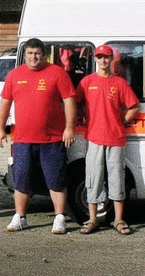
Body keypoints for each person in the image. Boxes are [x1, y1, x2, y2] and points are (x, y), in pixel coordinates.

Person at [0, 38, 77, 234]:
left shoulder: (57, 72)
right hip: (23, 140)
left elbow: (69, 101)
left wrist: (69, 128)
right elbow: (5, 103)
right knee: (21, 178)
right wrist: (0, 129)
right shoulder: (15, 75)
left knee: (56, 179)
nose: (34, 57)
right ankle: (20, 217)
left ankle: (59, 218)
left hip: (52, 139)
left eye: (37, 53)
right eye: (30, 53)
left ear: (44, 54)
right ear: (24, 55)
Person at [75, 45, 139, 235]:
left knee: (117, 178)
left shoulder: (119, 83)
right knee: (93, 178)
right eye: (100, 57)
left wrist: (122, 120)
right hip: (94, 138)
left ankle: (119, 220)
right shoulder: (87, 82)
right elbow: (75, 102)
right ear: (95, 59)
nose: (103, 60)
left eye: (107, 57)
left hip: (116, 138)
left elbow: (133, 106)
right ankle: (92, 219)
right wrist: (81, 116)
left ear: (112, 60)